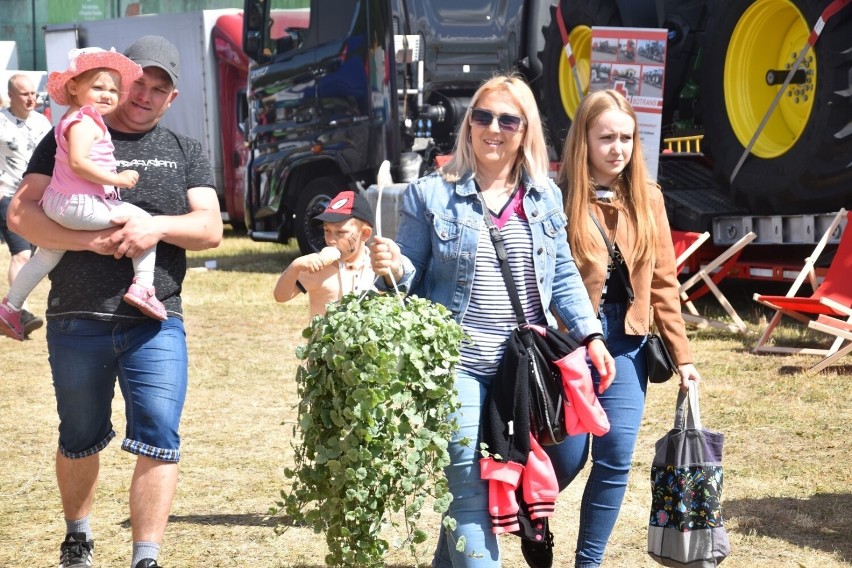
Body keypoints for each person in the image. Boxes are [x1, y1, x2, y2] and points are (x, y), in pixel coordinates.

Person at [369, 73, 616, 568]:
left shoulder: (543, 196)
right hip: (456, 364)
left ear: (525, 131)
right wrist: (393, 265)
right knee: (470, 495)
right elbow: (409, 273)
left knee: (559, 462)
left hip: (524, 371)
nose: (493, 129)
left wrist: (590, 334)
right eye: (482, 117)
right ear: (468, 126)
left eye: (508, 120)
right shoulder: (429, 196)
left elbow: (562, 272)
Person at [7, 35, 222, 568]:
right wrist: (87, 242)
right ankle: (77, 536)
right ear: (122, 80)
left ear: (171, 99)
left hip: (156, 318)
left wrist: (155, 227)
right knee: (79, 435)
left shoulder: (184, 150)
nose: (145, 95)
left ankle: (145, 558)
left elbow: (211, 228)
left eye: (159, 89)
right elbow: (21, 215)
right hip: (76, 318)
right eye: (139, 84)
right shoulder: (70, 131)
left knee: (158, 433)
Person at [547, 89, 702, 568]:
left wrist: (685, 359)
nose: (618, 148)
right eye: (607, 137)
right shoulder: (556, 195)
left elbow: (663, 283)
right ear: (584, 141)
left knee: (615, 460)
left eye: (627, 138)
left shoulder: (647, 197)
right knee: (567, 459)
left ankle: (587, 564)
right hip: (571, 343)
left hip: (629, 345)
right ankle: (513, 513)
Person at [0, 47, 170, 341]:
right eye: (98, 87)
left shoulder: (72, 118)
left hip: (62, 203)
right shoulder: (84, 122)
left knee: (45, 256)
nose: (107, 94)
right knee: (144, 223)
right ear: (73, 87)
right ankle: (143, 285)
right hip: (80, 205)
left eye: (114, 90)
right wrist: (116, 178)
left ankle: (11, 307)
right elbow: (79, 164)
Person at [0, 73, 52, 337]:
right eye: (25, 94)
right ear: (11, 95)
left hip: (41, 199)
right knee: (21, 255)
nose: (32, 98)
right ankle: (16, 312)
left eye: (33, 93)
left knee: (38, 256)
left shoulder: (43, 122)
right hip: (9, 197)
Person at [273, 189, 376, 317]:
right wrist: (294, 267)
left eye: (340, 232)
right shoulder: (318, 267)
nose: (331, 240)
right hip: (324, 337)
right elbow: (281, 296)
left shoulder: (376, 266)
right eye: (327, 230)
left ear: (365, 233)